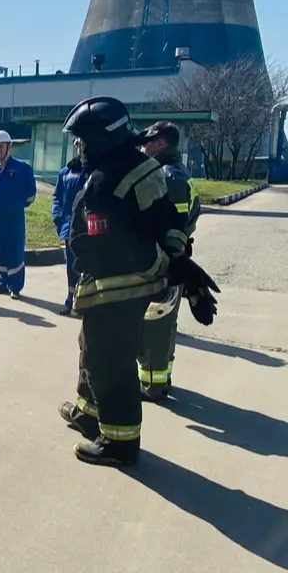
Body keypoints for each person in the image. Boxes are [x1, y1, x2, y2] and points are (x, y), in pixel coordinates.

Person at [56, 96, 219, 466]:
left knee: (109, 362)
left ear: (102, 138)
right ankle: (89, 414)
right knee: (91, 348)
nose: (79, 145)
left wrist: (165, 265)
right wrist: (178, 263)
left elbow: (108, 248)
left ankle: (120, 443)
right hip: (132, 286)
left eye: (83, 139)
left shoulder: (106, 182)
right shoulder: (142, 166)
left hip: (117, 290)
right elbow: (168, 222)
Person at [136, 121, 202, 401]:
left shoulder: (169, 176)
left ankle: (153, 385)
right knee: (164, 324)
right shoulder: (175, 171)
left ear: (162, 143)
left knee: (155, 326)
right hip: (173, 259)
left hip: (165, 262)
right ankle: (161, 378)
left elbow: (172, 226)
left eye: (148, 141)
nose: (143, 146)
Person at [0, 130, 37, 299]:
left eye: (1, 146)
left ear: (9, 147)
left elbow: (30, 194)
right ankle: (2, 282)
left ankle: (15, 286)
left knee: (14, 250)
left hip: (13, 218)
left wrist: (15, 204)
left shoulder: (23, 169)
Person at [51, 138, 87, 315]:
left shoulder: (96, 171)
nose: (81, 147)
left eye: (84, 144)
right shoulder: (65, 172)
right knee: (71, 267)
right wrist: (58, 218)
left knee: (87, 268)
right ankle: (70, 299)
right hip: (69, 227)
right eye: (79, 144)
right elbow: (57, 197)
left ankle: (84, 302)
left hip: (89, 229)